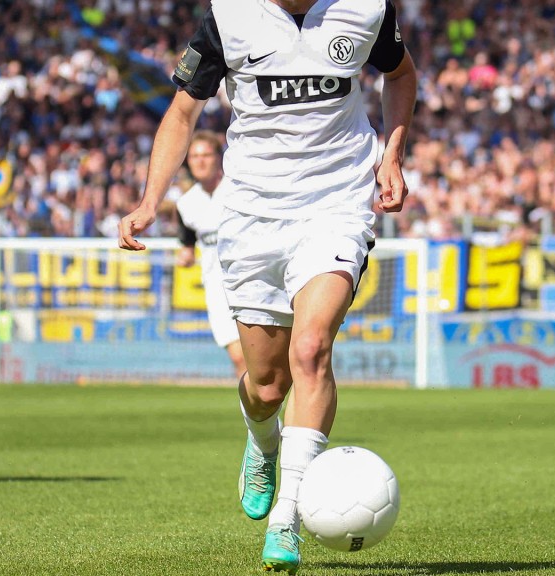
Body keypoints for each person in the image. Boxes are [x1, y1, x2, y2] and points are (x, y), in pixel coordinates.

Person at [118, 0, 417, 572]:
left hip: (336, 204)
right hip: (252, 213)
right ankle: (262, 442)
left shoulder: (368, 7)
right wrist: (149, 200)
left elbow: (400, 75)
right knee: (267, 384)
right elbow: (182, 113)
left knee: (312, 349)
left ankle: (288, 515)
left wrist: (392, 155)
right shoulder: (226, 15)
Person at [174, 130, 246, 378]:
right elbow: (187, 246)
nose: (200, 161)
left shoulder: (239, 190)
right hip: (217, 290)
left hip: (251, 281)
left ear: (218, 158)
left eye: (205, 154)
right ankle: (259, 417)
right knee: (239, 359)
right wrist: (185, 257)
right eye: (194, 156)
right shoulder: (185, 204)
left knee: (264, 362)